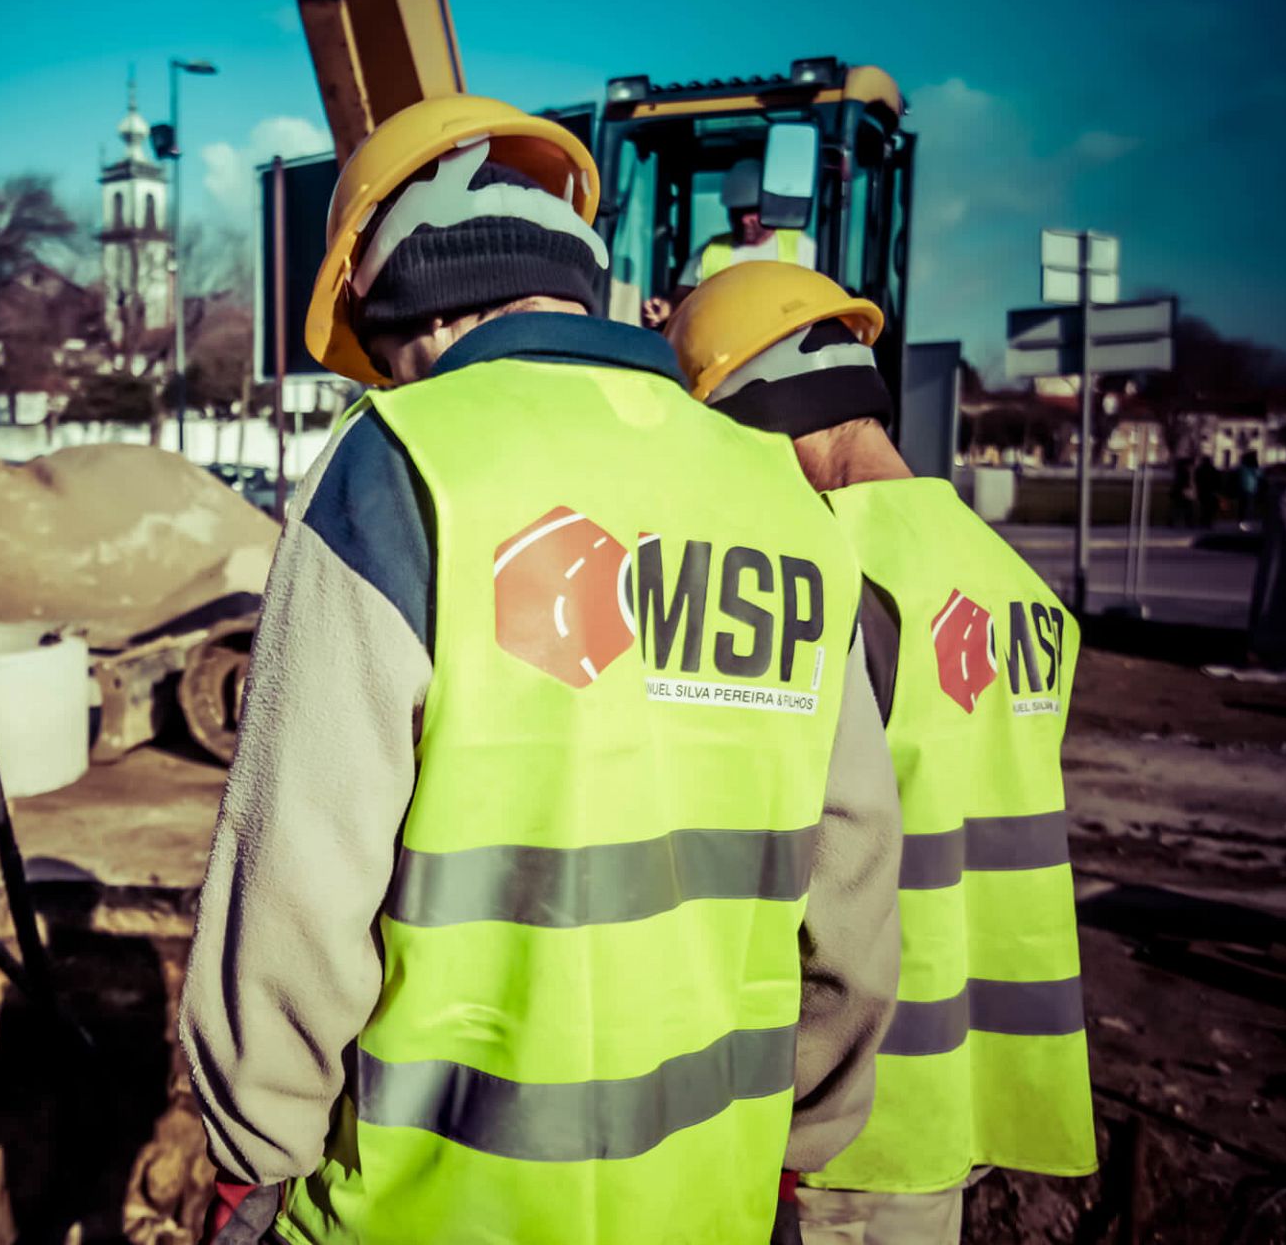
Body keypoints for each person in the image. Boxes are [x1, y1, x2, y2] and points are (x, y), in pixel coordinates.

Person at [179, 95, 902, 1245]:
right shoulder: (785, 503)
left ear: (391, 297)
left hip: (433, 1207)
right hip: (706, 1197)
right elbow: (855, 883)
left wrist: (255, 1145)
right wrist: (802, 1132)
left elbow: (299, 873)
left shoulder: (401, 458)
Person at [666, 261, 1098, 1245]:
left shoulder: (821, 581)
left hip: (842, 1116)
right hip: (973, 1086)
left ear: (762, 419)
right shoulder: (1014, 579)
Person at [642, 157, 817, 329]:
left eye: (751, 210)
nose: (744, 219)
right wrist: (666, 309)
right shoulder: (710, 251)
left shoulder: (804, 248)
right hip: (724, 352)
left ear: (769, 207)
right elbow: (682, 299)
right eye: (737, 211)